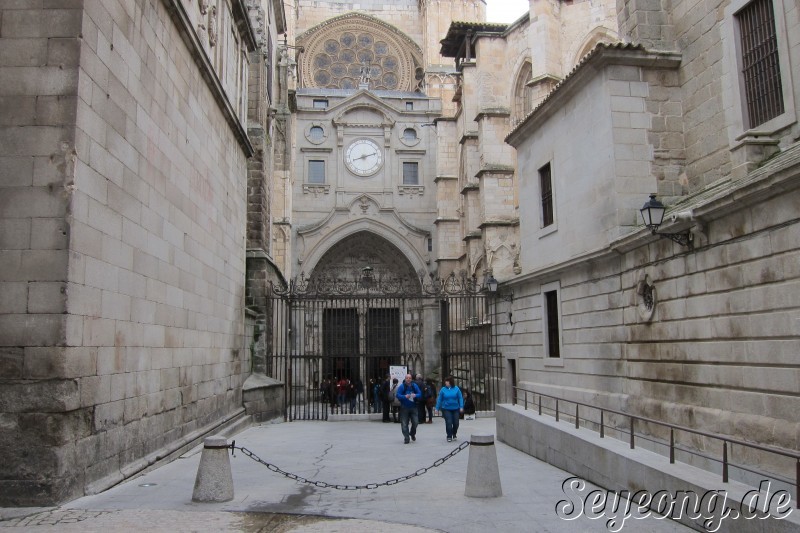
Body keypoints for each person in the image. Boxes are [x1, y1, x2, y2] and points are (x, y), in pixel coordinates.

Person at [435, 376, 464, 442]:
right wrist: (437, 408)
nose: (446, 383)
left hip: (455, 408)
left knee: (456, 422)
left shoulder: (456, 389)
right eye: (445, 381)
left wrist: (461, 406)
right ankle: (449, 435)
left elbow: (460, 398)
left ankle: (454, 433)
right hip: (446, 408)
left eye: (447, 381)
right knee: (449, 422)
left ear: (450, 382)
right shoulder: (443, 389)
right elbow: (439, 399)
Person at [396, 373, 422, 444]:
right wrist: (405, 396)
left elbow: (420, 394)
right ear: (405, 379)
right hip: (404, 407)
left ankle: (412, 433)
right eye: (407, 378)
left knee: (416, 422)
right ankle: (406, 438)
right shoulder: (402, 386)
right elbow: (397, 395)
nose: (408, 379)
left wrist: (415, 395)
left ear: (411, 379)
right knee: (404, 423)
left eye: (409, 378)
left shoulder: (414, 386)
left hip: (414, 407)